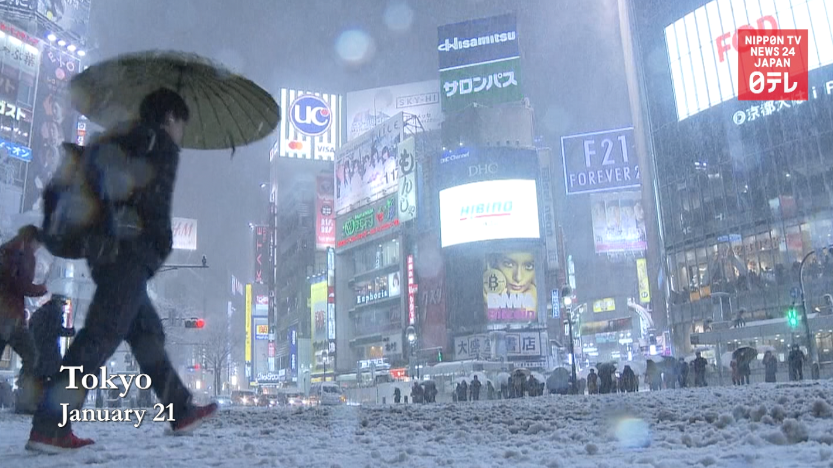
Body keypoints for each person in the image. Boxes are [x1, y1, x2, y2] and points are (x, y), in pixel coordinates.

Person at [27, 89, 217, 453]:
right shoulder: (154, 143)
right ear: (170, 118)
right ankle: (50, 426)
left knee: (146, 331)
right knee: (98, 336)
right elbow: (151, 203)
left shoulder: (123, 139)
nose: (181, 134)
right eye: (181, 124)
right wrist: (157, 245)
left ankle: (179, 409)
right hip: (127, 252)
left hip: (108, 251)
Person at [0, 225, 49, 412]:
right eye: (39, 245)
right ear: (34, 240)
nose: (38, 249)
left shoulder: (6, 248)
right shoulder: (26, 253)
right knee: (31, 355)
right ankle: (24, 401)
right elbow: (23, 286)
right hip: (11, 316)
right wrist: (42, 288)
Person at [17, 295, 76, 414]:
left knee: (38, 376)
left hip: (36, 349)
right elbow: (56, 330)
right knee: (54, 377)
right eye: (63, 305)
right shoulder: (55, 313)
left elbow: (34, 328)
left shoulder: (40, 312)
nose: (63, 308)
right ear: (58, 303)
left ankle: (31, 403)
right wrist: (70, 331)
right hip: (49, 353)